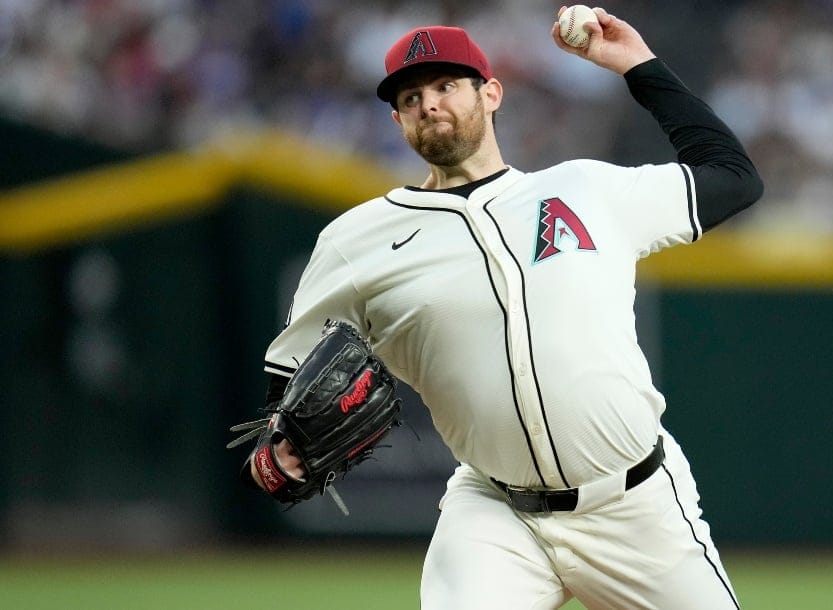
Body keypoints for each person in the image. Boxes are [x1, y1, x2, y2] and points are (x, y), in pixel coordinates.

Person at [252, 7, 762, 609]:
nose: (429, 103)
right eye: (411, 97)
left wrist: (637, 65)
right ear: (397, 119)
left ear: (490, 94)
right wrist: (279, 448)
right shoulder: (355, 240)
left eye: (446, 86)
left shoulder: (585, 189)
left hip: (637, 503)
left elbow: (733, 177)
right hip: (496, 516)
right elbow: (289, 379)